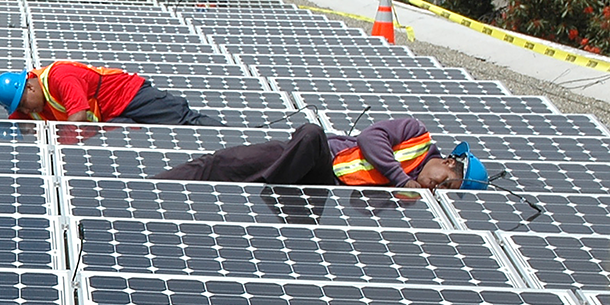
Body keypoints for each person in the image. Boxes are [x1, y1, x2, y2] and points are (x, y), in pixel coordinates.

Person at [154, 117, 490, 189]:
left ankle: (262, 187)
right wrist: (401, 179)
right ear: (448, 162)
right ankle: (149, 187)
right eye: (445, 183)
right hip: (317, 158)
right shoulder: (416, 134)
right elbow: (371, 138)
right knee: (219, 163)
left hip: (325, 194)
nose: (437, 190)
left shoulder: (418, 205)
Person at [0, 62, 217, 125]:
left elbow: (77, 121)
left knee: (183, 120)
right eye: (19, 109)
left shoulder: (60, 77)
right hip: (110, 119)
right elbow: (14, 131)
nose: (26, 111)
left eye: (23, 103)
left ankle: (242, 142)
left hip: (128, 95)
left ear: (30, 86)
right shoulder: (28, 107)